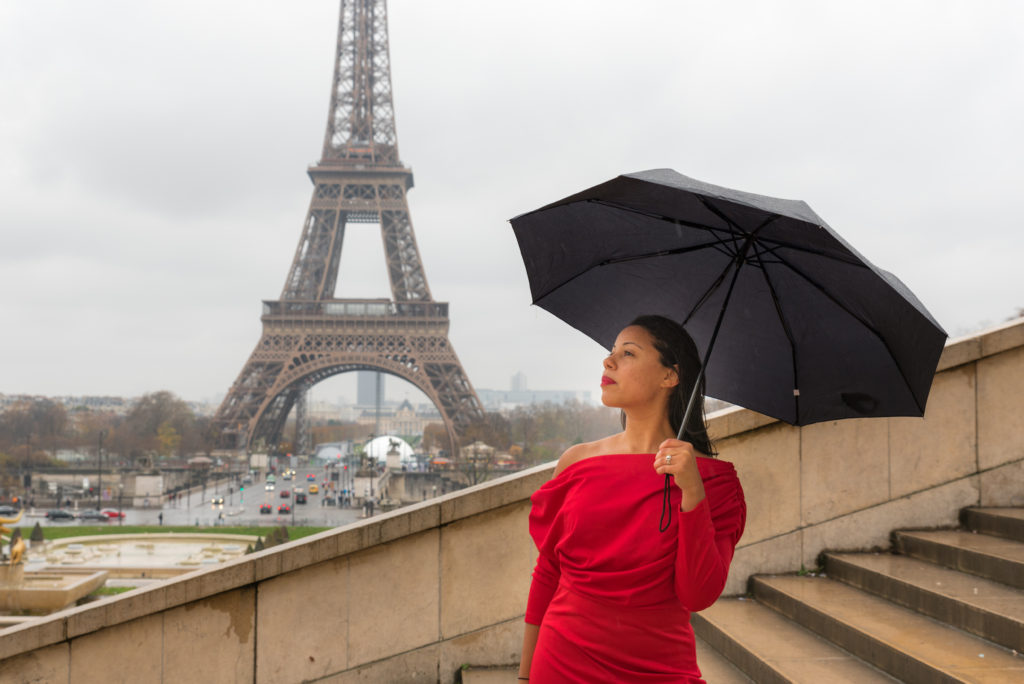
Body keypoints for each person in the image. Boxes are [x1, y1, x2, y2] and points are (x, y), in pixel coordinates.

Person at [519, 315, 746, 683]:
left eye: (627, 353)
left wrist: (692, 493)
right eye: (611, 352)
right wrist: (525, 677)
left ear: (669, 376)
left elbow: (697, 595)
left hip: (660, 670)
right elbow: (548, 573)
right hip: (561, 661)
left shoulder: (714, 484)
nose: (608, 362)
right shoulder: (577, 462)